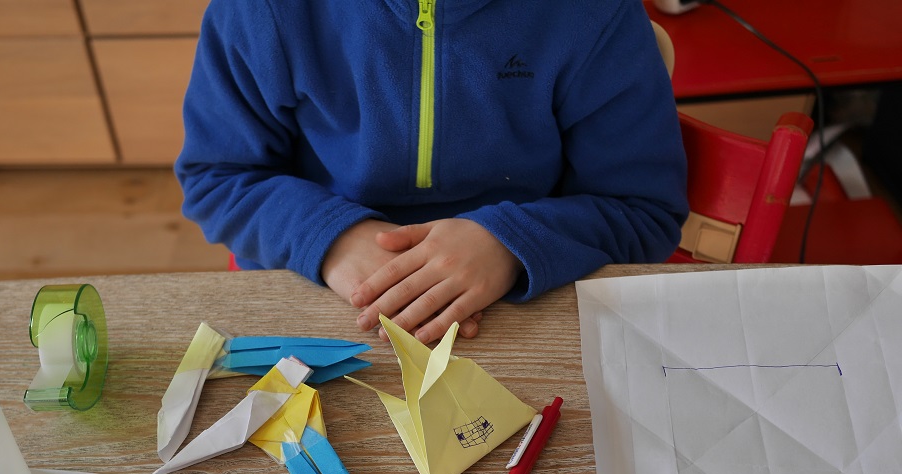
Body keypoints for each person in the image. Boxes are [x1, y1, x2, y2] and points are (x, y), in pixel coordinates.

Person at [176, 0, 688, 343]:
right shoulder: (259, 11)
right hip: (316, 287)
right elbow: (217, 177)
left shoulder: (595, 14)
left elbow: (643, 209)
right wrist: (331, 238)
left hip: (533, 294)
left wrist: (508, 243)